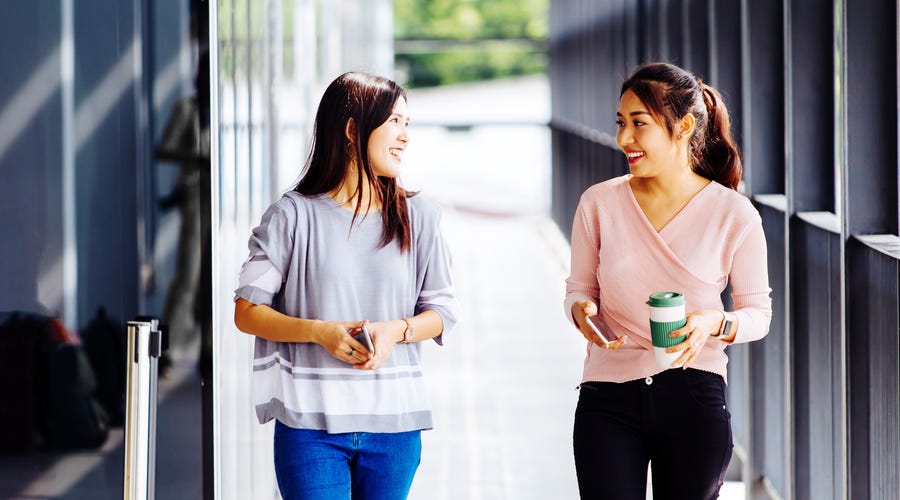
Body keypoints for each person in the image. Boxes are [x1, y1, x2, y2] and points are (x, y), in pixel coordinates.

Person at [233, 71, 459, 500]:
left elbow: (443, 311)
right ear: (353, 130)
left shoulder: (421, 217)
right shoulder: (292, 216)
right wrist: (320, 332)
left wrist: (396, 330)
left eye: (407, 123)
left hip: (395, 427)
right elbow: (247, 312)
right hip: (310, 426)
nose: (405, 135)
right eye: (394, 121)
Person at [564, 62, 772, 499]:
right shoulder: (598, 203)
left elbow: (758, 315)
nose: (624, 138)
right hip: (607, 397)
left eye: (639, 123)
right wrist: (582, 313)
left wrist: (715, 321)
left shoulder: (734, 213)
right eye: (620, 123)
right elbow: (579, 291)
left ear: (684, 126)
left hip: (694, 395)